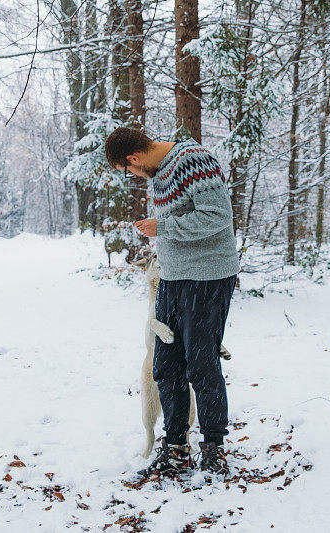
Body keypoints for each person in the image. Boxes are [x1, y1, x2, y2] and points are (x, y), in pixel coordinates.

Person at [104, 126, 240, 479]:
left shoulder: (194, 160)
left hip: (207, 277)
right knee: (166, 365)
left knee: (201, 365)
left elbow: (217, 216)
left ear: (133, 159)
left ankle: (213, 448)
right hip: (173, 277)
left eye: (128, 169)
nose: (132, 175)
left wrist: (161, 227)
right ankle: (175, 447)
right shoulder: (162, 171)